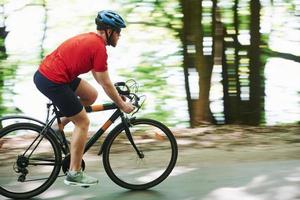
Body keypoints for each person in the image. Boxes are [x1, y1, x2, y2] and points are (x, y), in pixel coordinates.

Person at [33, 10, 134, 187]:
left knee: (91, 95)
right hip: (53, 80)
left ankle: (60, 125)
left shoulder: (94, 41)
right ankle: (74, 172)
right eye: (118, 32)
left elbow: (100, 77)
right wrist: (122, 104)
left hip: (52, 75)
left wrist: (116, 95)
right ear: (109, 31)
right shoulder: (98, 47)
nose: (120, 36)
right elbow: (106, 83)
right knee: (83, 122)